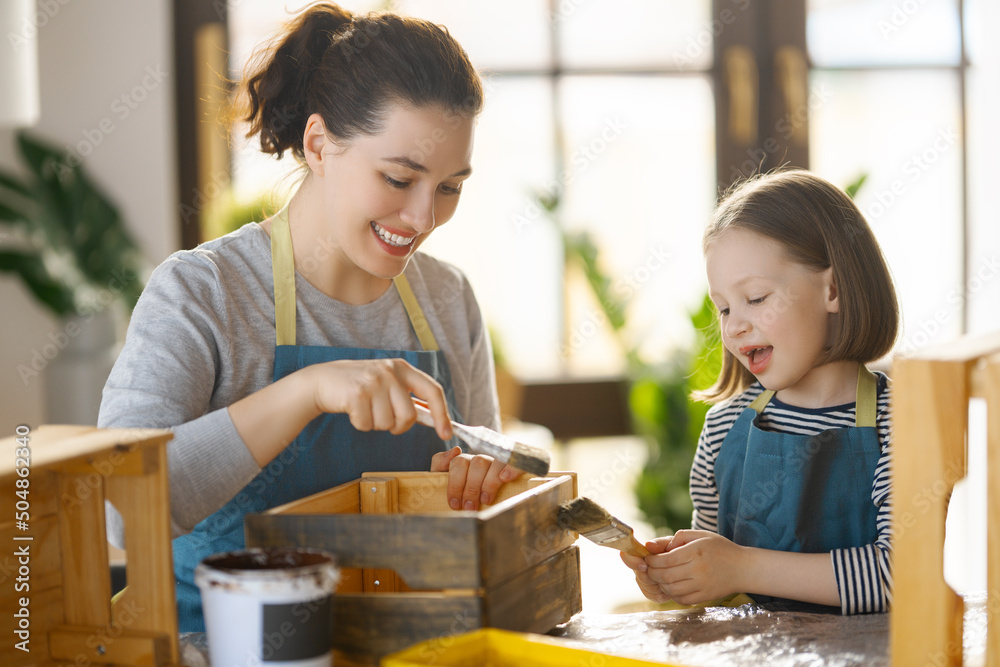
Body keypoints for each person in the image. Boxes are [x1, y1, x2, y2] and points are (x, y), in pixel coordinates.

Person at [98, 3, 517, 631]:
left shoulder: (448, 299)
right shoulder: (204, 293)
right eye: (399, 178)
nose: (425, 218)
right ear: (319, 145)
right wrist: (305, 392)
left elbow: (480, 503)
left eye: (450, 186)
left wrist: (482, 484)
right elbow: (115, 513)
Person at [621, 170, 899, 614]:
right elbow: (719, 587)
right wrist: (684, 578)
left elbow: (897, 576)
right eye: (724, 307)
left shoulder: (900, 421)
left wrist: (741, 567)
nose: (733, 325)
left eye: (755, 297)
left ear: (834, 289)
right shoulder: (723, 428)